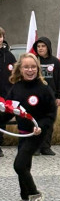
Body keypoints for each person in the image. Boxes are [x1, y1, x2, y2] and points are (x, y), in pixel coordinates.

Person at [8, 53, 56, 201]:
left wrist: (41, 126)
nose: (30, 70)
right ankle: (24, 199)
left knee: (19, 164)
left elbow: (51, 114)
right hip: (22, 133)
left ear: (38, 68)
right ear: (20, 69)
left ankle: (35, 194)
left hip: (36, 134)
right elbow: (9, 111)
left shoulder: (44, 88)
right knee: (25, 166)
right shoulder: (16, 88)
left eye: (33, 67)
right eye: (26, 67)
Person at [32, 36, 60, 155]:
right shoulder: (33, 60)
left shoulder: (55, 62)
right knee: (35, 122)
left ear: (48, 47)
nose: (40, 49)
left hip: (50, 97)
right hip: (35, 98)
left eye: (43, 46)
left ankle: (46, 147)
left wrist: (59, 96)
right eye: (38, 46)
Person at [0, 27, 17, 158]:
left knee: (1, 121)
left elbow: (15, 75)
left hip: (5, 95)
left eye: (0, 36)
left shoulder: (9, 56)